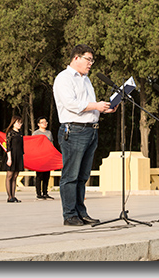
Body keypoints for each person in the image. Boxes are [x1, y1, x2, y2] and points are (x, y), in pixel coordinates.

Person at [52, 44, 117, 226]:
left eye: (92, 60)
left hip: (91, 129)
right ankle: (69, 214)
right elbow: (71, 104)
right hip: (74, 130)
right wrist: (96, 105)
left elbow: (89, 106)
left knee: (82, 176)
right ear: (76, 58)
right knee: (71, 175)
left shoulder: (86, 80)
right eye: (88, 59)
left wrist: (104, 109)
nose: (90, 64)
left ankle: (81, 212)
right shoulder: (64, 78)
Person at [32, 117, 55, 200]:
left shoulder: (49, 133)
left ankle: (45, 193)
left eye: (45, 122)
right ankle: (39, 193)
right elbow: (33, 145)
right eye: (42, 122)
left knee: (47, 175)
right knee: (39, 175)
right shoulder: (35, 133)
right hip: (39, 157)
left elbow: (51, 143)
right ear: (38, 124)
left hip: (47, 156)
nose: (44, 124)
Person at [4, 115, 25, 203]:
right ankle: (9, 196)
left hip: (19, 156)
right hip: (12, 155)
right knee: (10, 176)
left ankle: (13, 195)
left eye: (20, 123)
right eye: (18, 122)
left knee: (15, 176)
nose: (19, 124)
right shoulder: (10, 133)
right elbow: (8, 146)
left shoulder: (20, 134)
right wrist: (9, 158)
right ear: (13, 123)